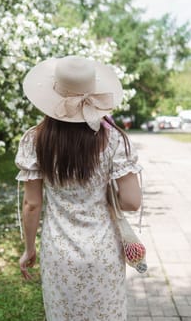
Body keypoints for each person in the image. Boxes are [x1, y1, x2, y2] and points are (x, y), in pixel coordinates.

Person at [15, 56, 143, 321]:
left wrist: (29, 249)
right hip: (104, 251)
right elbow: (131, 201)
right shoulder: (113, 139)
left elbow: (32, 204)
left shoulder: (34, 140)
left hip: (59, 253)